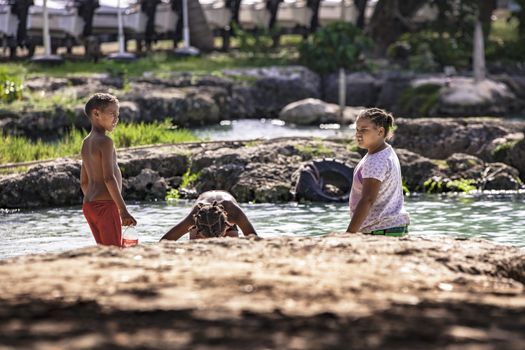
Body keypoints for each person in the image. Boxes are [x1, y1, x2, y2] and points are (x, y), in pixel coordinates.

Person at [80, 93, 137, 247]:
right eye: (112, 114)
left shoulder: (86, 143)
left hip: (89, 206)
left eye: (117, 114)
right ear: (96, 113)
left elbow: (84, 182)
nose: (116, 119)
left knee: (104, 250)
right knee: (114, 250)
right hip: (105, 205)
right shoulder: (105, 142)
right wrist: (122, 210)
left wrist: (94, 202)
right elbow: (108, 178)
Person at [346, 108, 410, 236]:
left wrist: (350, 233)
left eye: (364, 130)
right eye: (357, 129)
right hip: (393, 226)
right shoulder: (386, 151)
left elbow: (368, 199)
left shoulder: (375, 160)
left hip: (380, 229)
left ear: (380, 131)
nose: (358, 134)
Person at [160, 190, 258, 241]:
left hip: (225, 211)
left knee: (231, 241)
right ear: (197, 227)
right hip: (203, 214)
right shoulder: (195, 216)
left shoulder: (234, 212)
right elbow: (165, 240)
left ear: (227, 225)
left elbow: (253, 238)